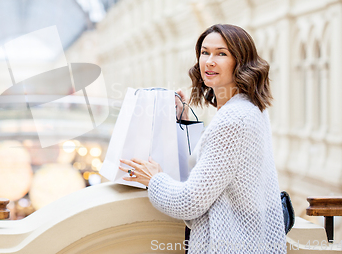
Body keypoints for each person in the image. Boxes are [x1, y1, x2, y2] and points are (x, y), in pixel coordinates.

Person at [119, 24, 287, 253]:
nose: (209, 61)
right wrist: (183, 121)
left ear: (241, 62)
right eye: (205, 52)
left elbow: (189, 203)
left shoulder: (233, 120)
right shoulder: (249, 107)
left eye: (222, 54)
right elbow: (218, 166)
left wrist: (154, 179)